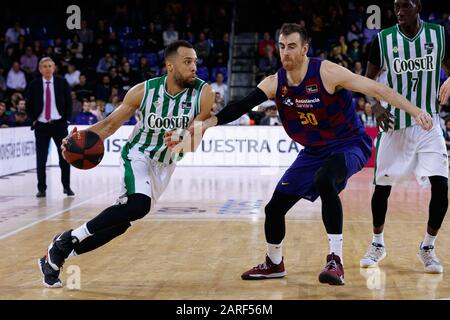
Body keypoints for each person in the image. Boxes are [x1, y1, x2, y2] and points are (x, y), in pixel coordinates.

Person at [166, 23, 433, 285]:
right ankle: (274, 263)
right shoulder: (275, 82)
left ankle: (335, 260)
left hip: (349, 144)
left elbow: (376, 89)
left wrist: (415, 111)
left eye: (292, 46)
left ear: (305, 48)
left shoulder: (327, 72)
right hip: (314, 151)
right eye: (282, 46)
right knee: (274, 208)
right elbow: (241, 105)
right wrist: (203, 125)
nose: (285, 52)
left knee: (325, 179)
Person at [38, 40, 214, 288]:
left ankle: (58, 253)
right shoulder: (143, 92)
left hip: (166, 165)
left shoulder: (204, 94)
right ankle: (67, 240)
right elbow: (109, 125)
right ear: (170, 66)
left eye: (195, 61)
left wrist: (182, 139)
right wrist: (78, 139)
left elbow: (194, 145)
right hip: (138, 155)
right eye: (187, 62)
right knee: (139, 205)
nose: (194, 67)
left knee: (120, 224)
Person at [359, 0, 450, 273]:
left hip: (427, 123)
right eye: (396, 6)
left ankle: (428, 247)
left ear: (418, 6)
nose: (399, 11)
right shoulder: (383, 40)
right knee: (382, 188)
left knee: (442, 186)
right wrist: (374, 105)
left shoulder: (439, 35)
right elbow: (367, 81)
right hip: (393, 123)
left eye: (405, 6)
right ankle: (377, 244)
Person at [26, 57, 74, 198]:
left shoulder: (61, 82)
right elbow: (28, 104)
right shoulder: (34, 84)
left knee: (64, 157)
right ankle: (41, 188)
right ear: (40, 69)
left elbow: (69, 102)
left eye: (50, 66)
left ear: (54, 68)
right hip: (41, 125)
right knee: (41, 159)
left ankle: (66, 187)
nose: (47, 68)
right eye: (44, 66)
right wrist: (33, 120)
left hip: (59, 124)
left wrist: (66, 120)